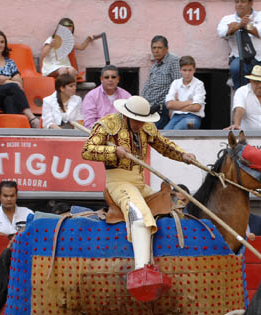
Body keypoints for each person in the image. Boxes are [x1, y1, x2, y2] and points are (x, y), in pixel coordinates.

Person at [81, 95, 197, 279]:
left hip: (140, 183)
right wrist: (114, 151)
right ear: (126, 115)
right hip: (119, 182)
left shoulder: (145, 127)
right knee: (140, 217)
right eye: (137, 120)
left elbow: (163, 145)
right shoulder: (108, 124)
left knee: (175, 208)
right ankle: (141, 271)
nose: (140, 125)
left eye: (143, 121)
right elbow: (87, 150)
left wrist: (183, 155)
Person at [0, 30, 39, 128]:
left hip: (6, 95)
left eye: (2, 42)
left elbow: (19, 81)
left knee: (10, 99)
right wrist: (8, 81)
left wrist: (3, 78)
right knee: (13, 86)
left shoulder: (9, 62)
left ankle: (12, 128)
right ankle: (31, 117)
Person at [217, 0, 261, 91]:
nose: (239, 5)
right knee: (236, 69)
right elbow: (222, 33)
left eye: (243, 2)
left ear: (251, 3)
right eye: (237, 2)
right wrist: (239, 25)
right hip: (240, 58)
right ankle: (242, 96)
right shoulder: (227, 19)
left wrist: (243, 25)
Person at [141, 35, 180, 129]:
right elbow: (149, 86)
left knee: (149, 132)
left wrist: (170, 107)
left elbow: (179, 86)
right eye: (154, 48)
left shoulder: (173, 61)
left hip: (162, 110)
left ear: (166, 49)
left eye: (159, 48)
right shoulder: (155, 65)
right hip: (149, 110)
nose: (156, 51)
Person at [164, 55, 206, 130]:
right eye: (184, 70)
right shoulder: (175, 83)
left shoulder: (199, 84)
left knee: (177, 130)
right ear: (180, 70)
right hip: (176, 116)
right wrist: (189, 102)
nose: (187, 73)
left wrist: (177, 105)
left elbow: (196, 107)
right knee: (165, 133)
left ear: (194, 70)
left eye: (190, 70)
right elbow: (169, 104)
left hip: (193, 117)